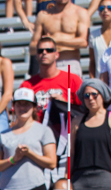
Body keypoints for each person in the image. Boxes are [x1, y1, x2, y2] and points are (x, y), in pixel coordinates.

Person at [23, 35, 85, 165]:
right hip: (37, 138)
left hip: (66, 137)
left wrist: (64, 103)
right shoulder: (27, 85)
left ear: (56, 54)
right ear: (36, 56)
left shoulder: (72, 79)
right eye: (40, 51)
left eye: (49, 50)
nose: (44, 53)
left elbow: (84, 112)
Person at [31, 0, 90, 76]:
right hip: (47, 65)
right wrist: (44, 45)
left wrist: (54, 40)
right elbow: (32, 47)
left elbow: (83, 42)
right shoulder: (43, 15)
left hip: (70, 63)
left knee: (70, 87)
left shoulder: (80, 13)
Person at [88, 1, 111, 80]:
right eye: (102, 8)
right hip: (100, 82)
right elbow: (92, 62)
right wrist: (93, 80)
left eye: (110, 8)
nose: (105, 11)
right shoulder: (93, 35)